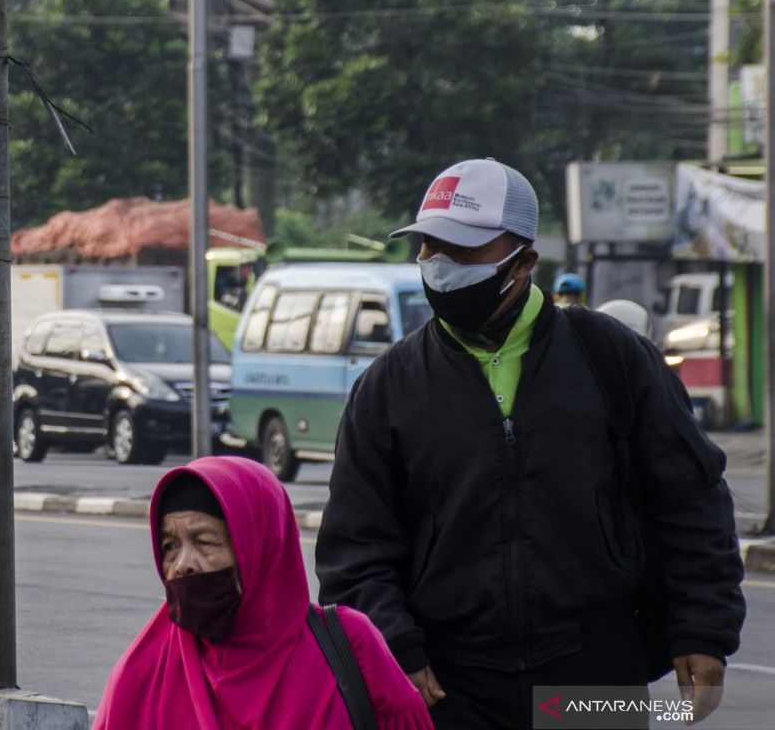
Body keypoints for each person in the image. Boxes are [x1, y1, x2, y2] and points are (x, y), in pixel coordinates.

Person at [316, 158, 745, 728]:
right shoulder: (388, 386)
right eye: (427, 248)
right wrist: (398, 649)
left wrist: (702, 631)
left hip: (596, 671)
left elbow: (692, 501)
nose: (438, 265)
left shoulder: (614, 359)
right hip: (448, 686)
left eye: (463, 251)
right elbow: (355, 545)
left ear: (524, 261)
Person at [94, 456, 432, 730]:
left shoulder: (349, 643)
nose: (182, 565)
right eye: (170, 545)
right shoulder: (141, 675)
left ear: (261, 547)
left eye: (205, 541)